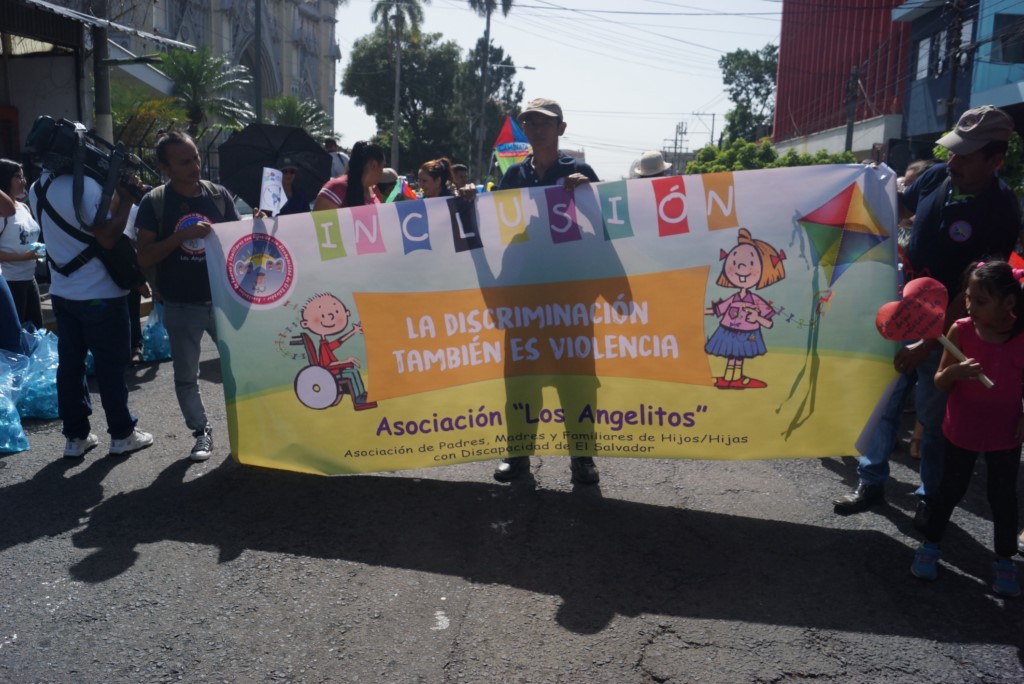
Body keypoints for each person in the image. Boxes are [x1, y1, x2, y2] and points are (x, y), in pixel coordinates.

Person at [833, 105, 1021, 522]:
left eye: (965, 156)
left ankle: (928, 498)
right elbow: (898, 210)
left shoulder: (1002, 210)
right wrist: (871, 183)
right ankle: (871, 481)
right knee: (882, 403)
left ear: (995, 161)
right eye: (952, 151)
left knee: (933, 420)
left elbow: (974, 291)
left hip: (946, 332)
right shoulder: (936, 177)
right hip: (902, 314)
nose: (952, 162)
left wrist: (926, 341)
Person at [492, 97, 601, 485]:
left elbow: (606, 229)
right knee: (520, 378)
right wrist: (471, 200)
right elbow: (493, 228)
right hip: (523, 295)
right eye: (530, 123)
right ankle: (517, 455)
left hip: (570, 296)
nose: (537, 129)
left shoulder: (580, 172)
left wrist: (587, 194)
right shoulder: (513, 176)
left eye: (544, 122)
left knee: (577, 380)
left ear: (561, 128)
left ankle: (582, 458)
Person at [28, 143, 153, 458]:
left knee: (70, 366)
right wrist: (126, 199)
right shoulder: (87, 186)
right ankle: (122, 433)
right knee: (111, 367)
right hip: (101, 296)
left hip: (62, 294)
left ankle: (75, 437)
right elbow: (108, 237)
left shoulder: (37, 188)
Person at [909, 261, 1024, 597]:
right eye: (969, 297)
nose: (970, 305)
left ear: (1009, 302)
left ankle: (1004, 559)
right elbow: (940, 381)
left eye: (981, 300)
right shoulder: (960, 330)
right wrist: (954, 373)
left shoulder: (1021, 336)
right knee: (949, 490)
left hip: (1005, 432)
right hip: (962, 427)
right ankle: (930, 545)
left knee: (1003, 497)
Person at [135, 130, 241, 462]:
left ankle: (248, 430)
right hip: (180, 304)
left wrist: (258, 225)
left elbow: (239, 243)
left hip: (224, 302)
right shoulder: (154, 203)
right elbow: (144, 256)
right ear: (165, 168)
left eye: (196, 157)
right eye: (185, 162)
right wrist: (181, 236)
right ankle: (201, 431)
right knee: (186, 377)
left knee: (242, 369)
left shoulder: (219, 196)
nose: (195, 166)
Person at [0, 159, 43, 329]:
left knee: (36, 331)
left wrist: (36, 251)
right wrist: (24, 256)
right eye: (18, 177)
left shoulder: (23, 208)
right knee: (16, 333)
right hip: (10, 281)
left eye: (23, 177)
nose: (23, 181)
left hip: (29, 277)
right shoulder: (3, 213)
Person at [313, 141, 385, 211]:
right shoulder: (335, 189)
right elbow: (318, 219)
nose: (382, 172)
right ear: (374, 165)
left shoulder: (374, 190)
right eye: (383, 166)